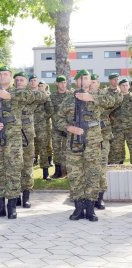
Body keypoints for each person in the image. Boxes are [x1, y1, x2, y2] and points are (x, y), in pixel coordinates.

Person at [0, 66, 47, 219]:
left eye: (5, 74)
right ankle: (0, 206)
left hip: (14, 141)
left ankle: (12, 206)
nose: (2, 76)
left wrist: (10, 96)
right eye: (0, 74)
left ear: (10, 78)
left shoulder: (19, 92)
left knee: (14, 171)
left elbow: (38, 96)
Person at [55, 69, 116, 222]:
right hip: (73, 143)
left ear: (90, 81)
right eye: (79, 78)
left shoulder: (99, 97)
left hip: (93, 144)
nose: (82, 81)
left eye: (86, 78)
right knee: (76, 175)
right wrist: (69, 128)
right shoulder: (68, 100)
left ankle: (90, 208)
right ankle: (78, 208)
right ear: (76, 82)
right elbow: (58, 119)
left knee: (93, 174)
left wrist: (92, 98)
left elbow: (114, 100)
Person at [90, 73, 123, 210]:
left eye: (95, 82)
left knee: (102, 165)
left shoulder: (104, 95)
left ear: (98, 83)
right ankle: (88, 197)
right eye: (90, 82)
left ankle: (100, 198)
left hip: (103, 135)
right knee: (88, 166)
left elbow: (116, 101)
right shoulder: (79, 96)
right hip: (86, 137)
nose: (92, 84)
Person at [14, 72, 35, 208]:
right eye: (16, 80)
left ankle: (26, 196)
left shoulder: (31, 94)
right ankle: (15, 195)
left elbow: (43, 96)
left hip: (27, 135)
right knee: (14, 166)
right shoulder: (8, 95)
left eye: (21, 80)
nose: (19, 82)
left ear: (26, 82)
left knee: (27, 165)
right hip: (12, 135)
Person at [29, 76, 54, 180]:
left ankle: (45, 172)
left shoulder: (43, 94)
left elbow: (50, 109)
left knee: (43, 148)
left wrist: (43, 117)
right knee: (28, 149)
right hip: (27, 125)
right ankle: (28, 174)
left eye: (35, 80)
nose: (33, 82)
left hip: (41, 125)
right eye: (31, 81)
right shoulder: (26, 94)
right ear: (29, 82)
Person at [50, 75, 70, 178]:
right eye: (61, 82)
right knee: (56, 149)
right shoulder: (52, 96)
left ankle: (67, 171)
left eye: (64, 82)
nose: (63, 84)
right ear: (57, 84)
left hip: (69, 128)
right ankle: (57, 171)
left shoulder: (70, 95)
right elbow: (49, 110)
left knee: (67, 149)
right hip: (56, 127)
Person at [109, 78, 132, 164]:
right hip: (117, 129)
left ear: (129, 86)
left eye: (126, 85)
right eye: (123, 85)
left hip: (131, 128)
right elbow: (108, 110)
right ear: (119, 86)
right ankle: (117, 168)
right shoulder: (115, 98)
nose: (125, 87)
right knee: (116, 150)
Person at [108, 73, 125, 164]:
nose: (116, 81)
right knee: (109, 145)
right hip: (108, 125)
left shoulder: (121, 91)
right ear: (110, 80)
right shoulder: (106, 92)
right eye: (114, 79)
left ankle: (120, 163)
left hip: (119, 125)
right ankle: (110, 163)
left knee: (119, 146)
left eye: (117, 79)